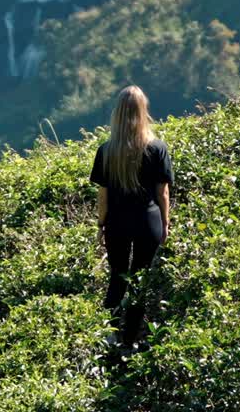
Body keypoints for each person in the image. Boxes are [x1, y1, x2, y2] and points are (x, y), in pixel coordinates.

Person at [89, 85, 172, 349]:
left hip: (117, 223)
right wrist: (166, 224)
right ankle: (131, 339)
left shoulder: (106, 150)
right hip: (149, 221)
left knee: (118, 275)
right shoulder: (157, 148)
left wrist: (101, 224)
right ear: (143, 110)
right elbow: (163, 194)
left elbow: (103, 196)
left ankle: (111, 333)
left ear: (118, 114)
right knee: (140, 279)